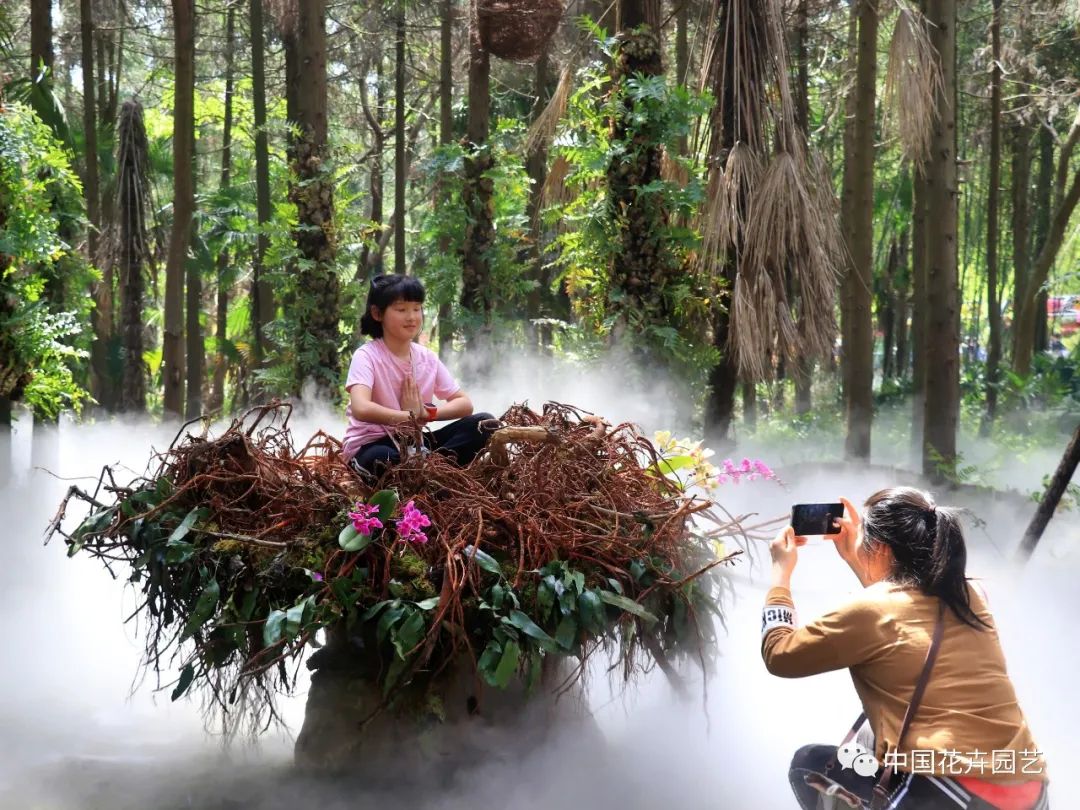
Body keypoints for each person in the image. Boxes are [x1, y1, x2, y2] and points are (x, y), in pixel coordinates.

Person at [762, 488, 1049, 809]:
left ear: (881, 548)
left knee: (809, 762)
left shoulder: (874, 610)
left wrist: (780, 575)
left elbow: (779, 654)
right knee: (870, 739)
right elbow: (901, 619)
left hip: (952, 794)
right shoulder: (971, 594)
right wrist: (857, 557)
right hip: (1029, 789)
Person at [343, 274, 495, 477]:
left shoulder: (427, 358)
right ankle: (430, 470)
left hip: (417, 444)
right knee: (383, 460)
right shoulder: (367, 356)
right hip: (374, 445)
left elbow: (464, 404)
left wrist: (426, 413)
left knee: (485, 424)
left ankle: (428, 469)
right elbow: (361, 408)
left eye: (416, 308)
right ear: (377, 314)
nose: (412, 316)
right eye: (401, 309)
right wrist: (410, 417)